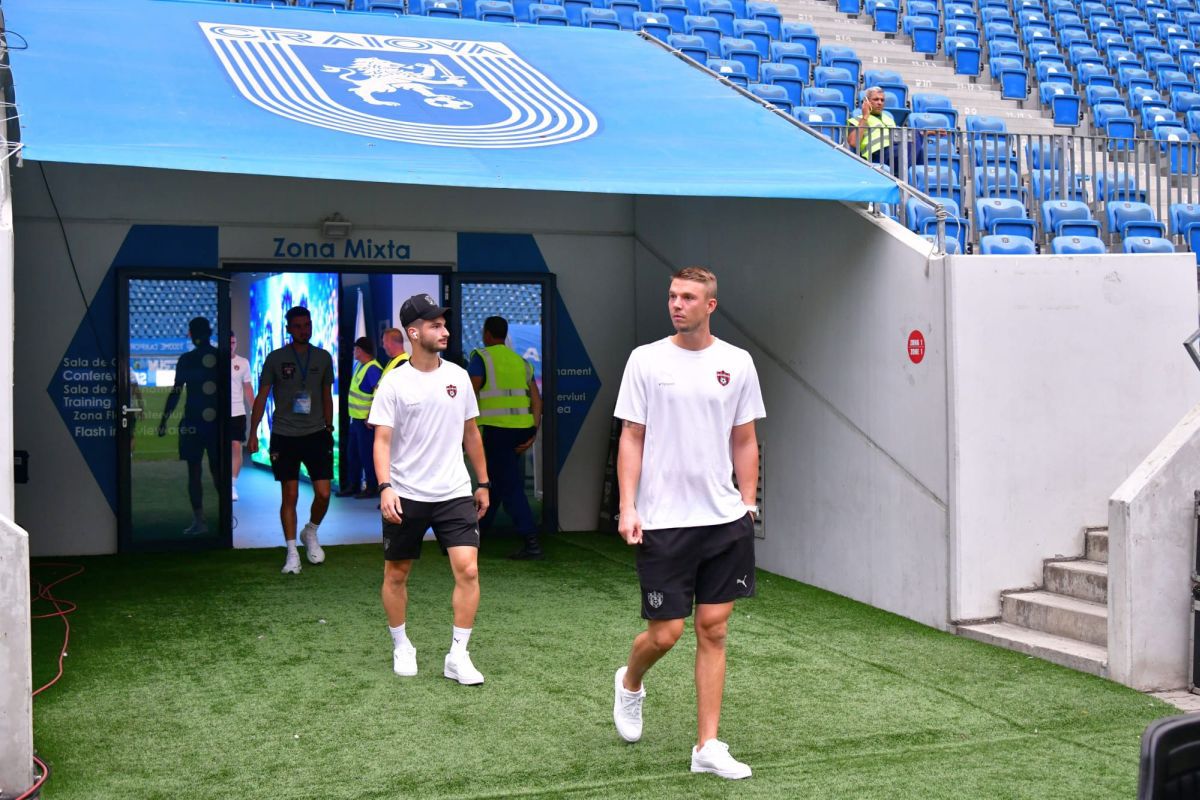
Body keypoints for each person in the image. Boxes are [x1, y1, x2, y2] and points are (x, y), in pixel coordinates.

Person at [610, 267, 765, 781]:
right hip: (664, 520)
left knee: (714, 629)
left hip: (723, 520)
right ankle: (630, 681)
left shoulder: (737, 363)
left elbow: (743, 437)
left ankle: (708, 746)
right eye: (673, 295)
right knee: (666, 633)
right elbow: (631, 435)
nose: (677, 304)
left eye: (688, 297)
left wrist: (747, 501)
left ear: (710, 305)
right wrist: (628, 507)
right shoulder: (646, 360)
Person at [370, 292, 491, 685]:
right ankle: (402, 644)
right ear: (413, 331)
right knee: (397, 574)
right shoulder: (394, 383)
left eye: (444, 324)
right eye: (435, 325)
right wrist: (385, 487)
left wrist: (483, 481)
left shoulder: (457, 376)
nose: (445, 331)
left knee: (468, 570)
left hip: (454, 491)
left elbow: (471, 433)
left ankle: (458, 654)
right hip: (405, 494)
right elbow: (382, 441)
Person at [246, 306, 335, 574]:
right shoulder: (275, 358)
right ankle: (292, 552)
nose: (303, 330)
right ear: (288, 329)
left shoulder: (322, 357)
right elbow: (262, 397)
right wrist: (253, 433)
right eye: (297, 326)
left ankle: (311, 531)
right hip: (284, 434)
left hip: (317, 433)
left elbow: (326, 394)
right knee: (291, 494)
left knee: (323, 493)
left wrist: (329, 428)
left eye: (307, 325)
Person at [468, 316, 543, 560]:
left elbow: (469, 396)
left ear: (487, 333)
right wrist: (533, 432)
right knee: (497, 482)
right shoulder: (521, 362)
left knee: (508, 487)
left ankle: (531, 541)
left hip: (496, 431)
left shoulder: (481, 357)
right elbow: (536, 400)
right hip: (521, 430)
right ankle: (475, 536)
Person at [158, 316, 221, 536]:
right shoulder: (218, 357)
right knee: (216, 471)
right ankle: (223, 520)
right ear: (210, 332)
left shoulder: (186, 359)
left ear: (190, 334)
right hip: (214, 424)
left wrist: (164, 420)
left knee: (194, 472)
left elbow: (176, 392)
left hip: (193, 421)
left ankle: (200, 521)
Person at [337, 336, 383, 499]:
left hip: (366, 422)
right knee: (353, 454)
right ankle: (354, 485)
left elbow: (379, 395)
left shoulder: (372, 369)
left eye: (356, 349)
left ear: (362, 351)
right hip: (355, 419)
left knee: (367, 456)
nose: (354, 351)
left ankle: (372, 486)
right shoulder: (359, 366)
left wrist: (371, 415)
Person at [847, 86, 899, 168]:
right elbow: (853, 143)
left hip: (893, 152)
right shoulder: (857, 120)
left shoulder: (889, 119)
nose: (880, 102)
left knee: (916, 140)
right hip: (875, 155)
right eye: (876, 99)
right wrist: (865, 117)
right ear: (866, 101)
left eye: (882, 100)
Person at [230, 331, 254, 502]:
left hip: (237, 412)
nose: (232, 345)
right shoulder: (214, 362)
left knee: (236, 446)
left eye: (234, 342)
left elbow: (247, 388)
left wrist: (255, 409)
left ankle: (232, 485)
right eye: (229, 342)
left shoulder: (243, 363)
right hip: (218, 414)